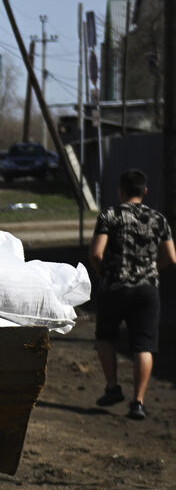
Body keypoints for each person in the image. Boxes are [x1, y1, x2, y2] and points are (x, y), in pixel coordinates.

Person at [89, 169, 176, 420]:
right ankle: (138, 402)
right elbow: (171, 257)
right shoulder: (158, 218)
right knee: (143, 345)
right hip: (147, 290)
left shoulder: (110, 215)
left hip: (115, 287)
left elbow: (96, 253)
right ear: (145, 191)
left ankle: (113, 388)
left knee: (105, 338)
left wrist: (105, 273)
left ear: (121, 191)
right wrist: (150, 271)